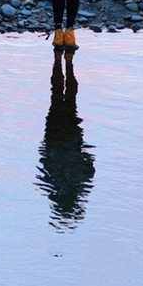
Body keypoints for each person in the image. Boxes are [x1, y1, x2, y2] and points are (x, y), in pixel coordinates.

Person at [37, 45, 96, 230]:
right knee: (62, 98)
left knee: (63, 99)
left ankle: (61, 63)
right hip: (63, 139)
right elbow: (89, 163)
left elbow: (89, 163)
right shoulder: (75, 184)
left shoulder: (54, 184)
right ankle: (65, 64)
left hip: (61, 138)